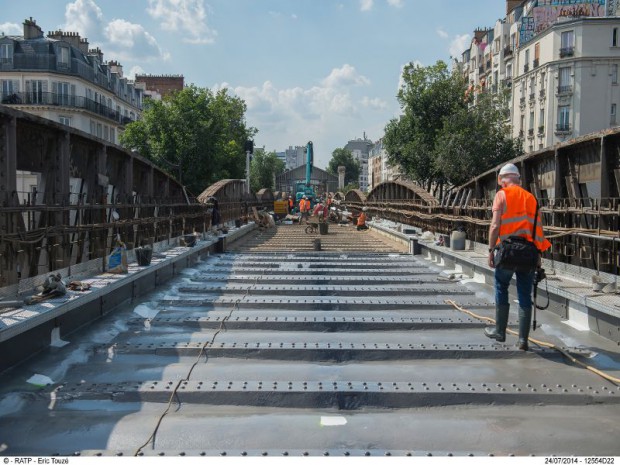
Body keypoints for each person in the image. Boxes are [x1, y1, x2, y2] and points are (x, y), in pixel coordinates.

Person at [485, 163, 551, 351]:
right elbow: (538, 230)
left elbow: (495, 226)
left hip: (507, 252)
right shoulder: (531, 198)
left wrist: (491, 251)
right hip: (528, 253)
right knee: (524, 294)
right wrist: (539, 255)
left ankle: (500, 331)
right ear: (518, 179)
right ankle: (523, 340)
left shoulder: (501, 195)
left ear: (502, 180)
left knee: (501, 286)